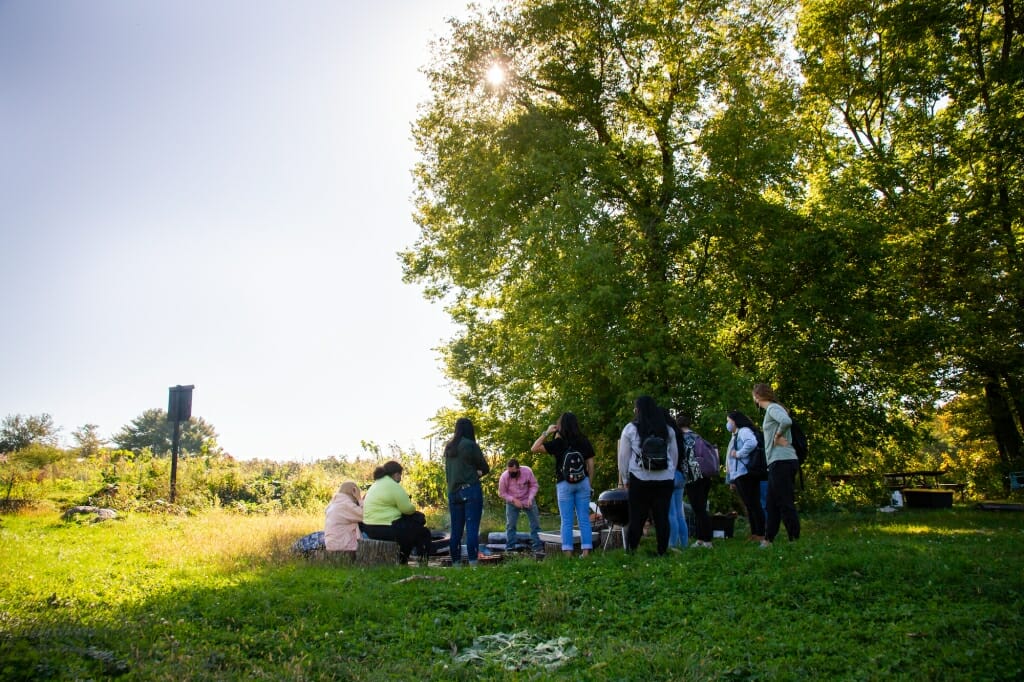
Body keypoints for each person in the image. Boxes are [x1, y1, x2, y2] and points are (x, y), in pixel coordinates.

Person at [616, 396, 677, 555]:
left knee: (637, 517)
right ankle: (662, 551)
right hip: (664, 480)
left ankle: (631, 550)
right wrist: (670, 472)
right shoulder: (667, 429)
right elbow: (674, 454)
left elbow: (623, 457)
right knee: (662, 517)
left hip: (640, 478)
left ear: (638, 410)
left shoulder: (630, 429)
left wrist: (625, 479)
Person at [532, 412, 596, 557]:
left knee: (566, 520)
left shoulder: (558, 443)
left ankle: (568, 552)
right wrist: (588, 483)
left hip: (564, 483)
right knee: (584, 519)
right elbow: (591, 464)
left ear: (560, 426)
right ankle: (586, 552)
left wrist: (547, 432)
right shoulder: (583, 440)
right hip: (583, 483)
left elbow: (534, 448)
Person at [752, 383, 801, 547]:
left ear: (757, 396)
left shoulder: (773, 408)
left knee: (785, 500)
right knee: (772, 503)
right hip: (776, 461)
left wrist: (777, 436)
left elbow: (786, 421)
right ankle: (768, 539)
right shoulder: (772, 410)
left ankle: (794, 538)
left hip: (782, 460)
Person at [361, 461, 432, 564]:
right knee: (422, 531)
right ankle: (419, 561)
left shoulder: (376, 484)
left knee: (409, 528)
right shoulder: (393, 486)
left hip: (369, 527)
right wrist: (413, 508)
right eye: (400, 475)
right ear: (396, 474)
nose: (400, 479)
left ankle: (402, 560)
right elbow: (407, 509)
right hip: (386, 527)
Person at [445, 418, 490, 566]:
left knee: (456, 531)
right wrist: (477, 473)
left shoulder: (449, 447)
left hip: (453, 493)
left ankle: (456, 564)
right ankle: (473, 564)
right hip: (470, 490)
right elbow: (485, 467)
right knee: (472, 529)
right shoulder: (470, 445)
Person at [725, 411, 766, 542]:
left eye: (729, 421)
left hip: (746, 473)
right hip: (739, 474)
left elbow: (751, 443)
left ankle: (761, 533)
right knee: (749, 505)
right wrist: (731, 477)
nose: (728, 424)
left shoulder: (744, 431)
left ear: (735, 421)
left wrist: (738, 454)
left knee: (753, 504)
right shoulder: (736, 434)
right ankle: (755, 533)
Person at [677, 412, 714, 548]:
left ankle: (707, 540)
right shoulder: (698, 437)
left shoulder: (682, 439)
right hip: (705, 475)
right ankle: (700, 538)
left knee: (698, 509)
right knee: (701, 508)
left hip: (693, 477)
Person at [497, 459, 544, 554]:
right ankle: (510, 547)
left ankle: (538, 547)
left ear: (518, 468)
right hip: (512, 501)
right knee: (511, 525)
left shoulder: (527, 471)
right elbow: (501, 493)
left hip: (527, 499)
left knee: (535, 523)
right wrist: (513, 500)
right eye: (509, 471)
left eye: (513, 472)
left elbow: (534, 485)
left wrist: (530, 498)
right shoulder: (504, 476)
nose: (511, 474)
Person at [665, 410, 689, 549]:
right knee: (680, 513)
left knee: (671, 512)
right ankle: (684, 544)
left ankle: (672, 544)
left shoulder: (669, 435)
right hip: (681, 475)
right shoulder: (681, 436)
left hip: (671, 474)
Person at [324, 481, 363, 553]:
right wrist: (359, 499)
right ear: (354, 491)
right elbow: (365, 516)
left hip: (331, 544)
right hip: (343, 546)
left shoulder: (334, 503)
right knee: (369, 535)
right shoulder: (346, 504)